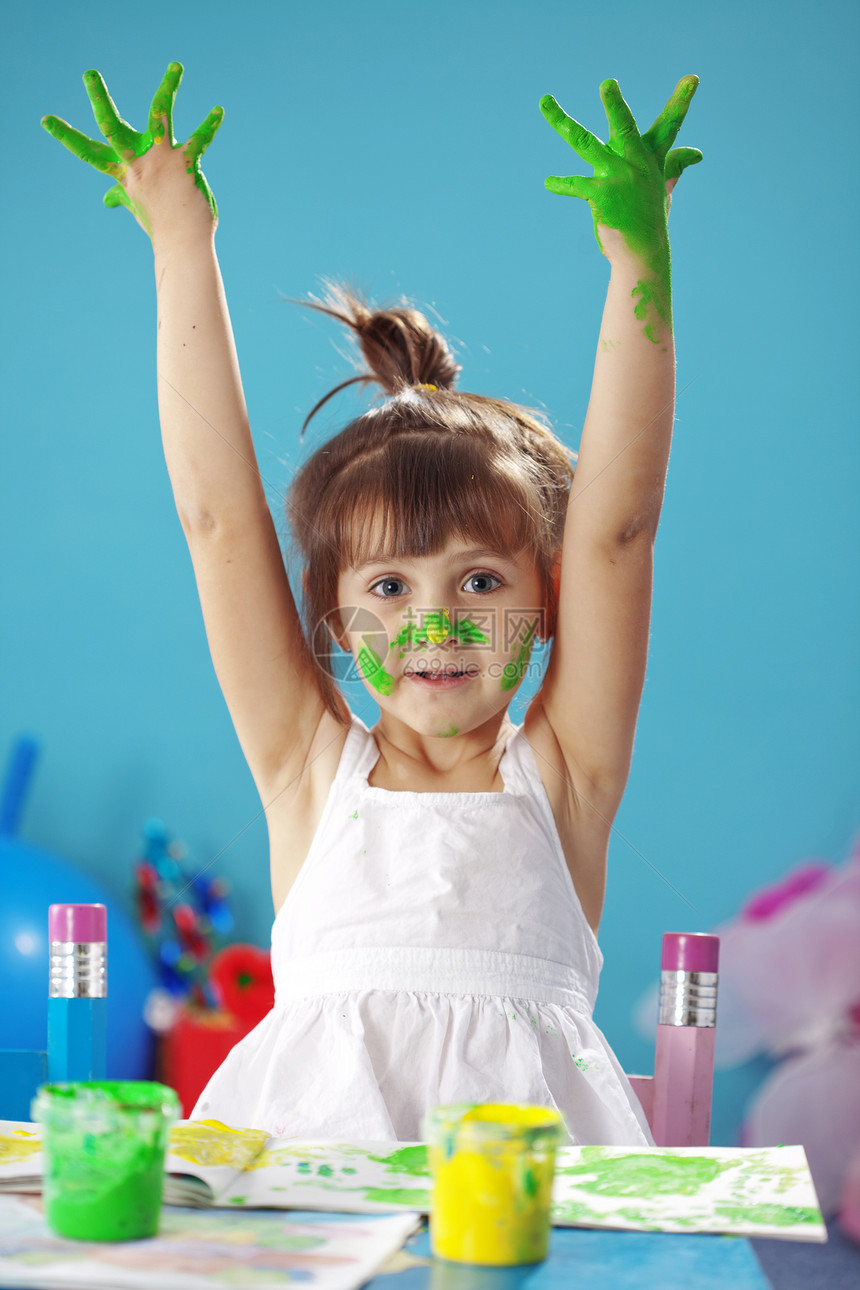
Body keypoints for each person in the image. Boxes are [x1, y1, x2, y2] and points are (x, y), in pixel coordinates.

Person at [42, 65, 701, 1143]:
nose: (433, 625)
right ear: (338, 623)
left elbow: (619, 531)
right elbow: (215, 520)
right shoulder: (309, 765)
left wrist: (639, 262)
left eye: (478, 583)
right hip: (313, 1210)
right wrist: (179, 242)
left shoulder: (564, 775)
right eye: (388, 588)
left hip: (526, 1209)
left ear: (544, 603)